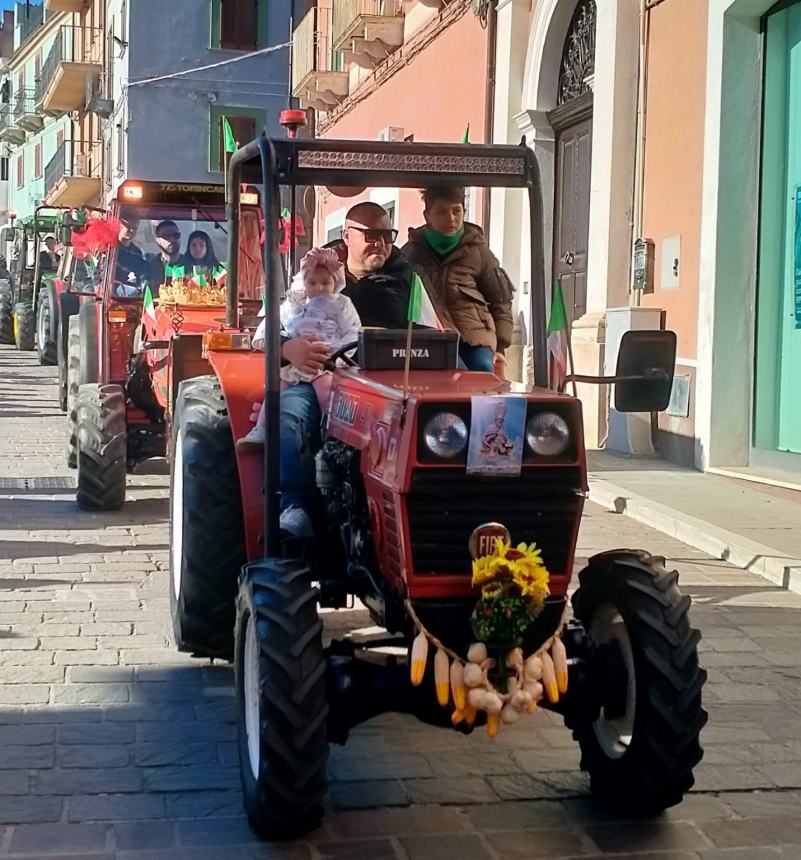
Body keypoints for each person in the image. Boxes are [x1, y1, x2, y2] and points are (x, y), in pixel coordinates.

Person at [269, 202, 428, 536]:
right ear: (347, 236)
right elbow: (269, 328)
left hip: (385, 380)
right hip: (312, 373)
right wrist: (287, 347)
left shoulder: (408, 279)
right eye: (370, 234)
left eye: (386, 234)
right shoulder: (310, 280)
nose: (380, 242)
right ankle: (295, 504)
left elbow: (432, 333)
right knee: (288, 415)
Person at [237, 247, 361, 452]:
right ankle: (261, 430)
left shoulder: (341, 304)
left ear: (335, 283)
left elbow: (352, 334)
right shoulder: (292, 305)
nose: (319, 288)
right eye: (312, 282)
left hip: (323, 365)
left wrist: (331, 356)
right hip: (293, 365)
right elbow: (268, 328)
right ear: (304, 282)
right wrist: (282, 346)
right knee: (274, 394)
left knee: (327, 394)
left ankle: (332, 436)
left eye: (325, 283)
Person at [401, 186, 514, 375]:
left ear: (464, 212)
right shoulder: (411, 253)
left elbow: (500, 300)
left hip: (475, 337)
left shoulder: (479, 252)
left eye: (456, 211)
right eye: (442, 212)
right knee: (455, 373)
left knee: (483, 371)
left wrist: (501, 347)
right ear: (428, 215)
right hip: (433, 340)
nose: (451, 218)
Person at [114, 208, 149, 293]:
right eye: (128, 227)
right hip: (105, 292)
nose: (132, 231)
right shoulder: (109, 247)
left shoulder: (137, 252)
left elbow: (139, 274)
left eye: (135, 228)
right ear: (119, 225)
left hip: (126, 295)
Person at [146, 220, 183, 293]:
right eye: (166, 236)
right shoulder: (149, 266)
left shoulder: (191, 265)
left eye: (175, 235)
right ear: (157, 241)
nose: (172, 239)